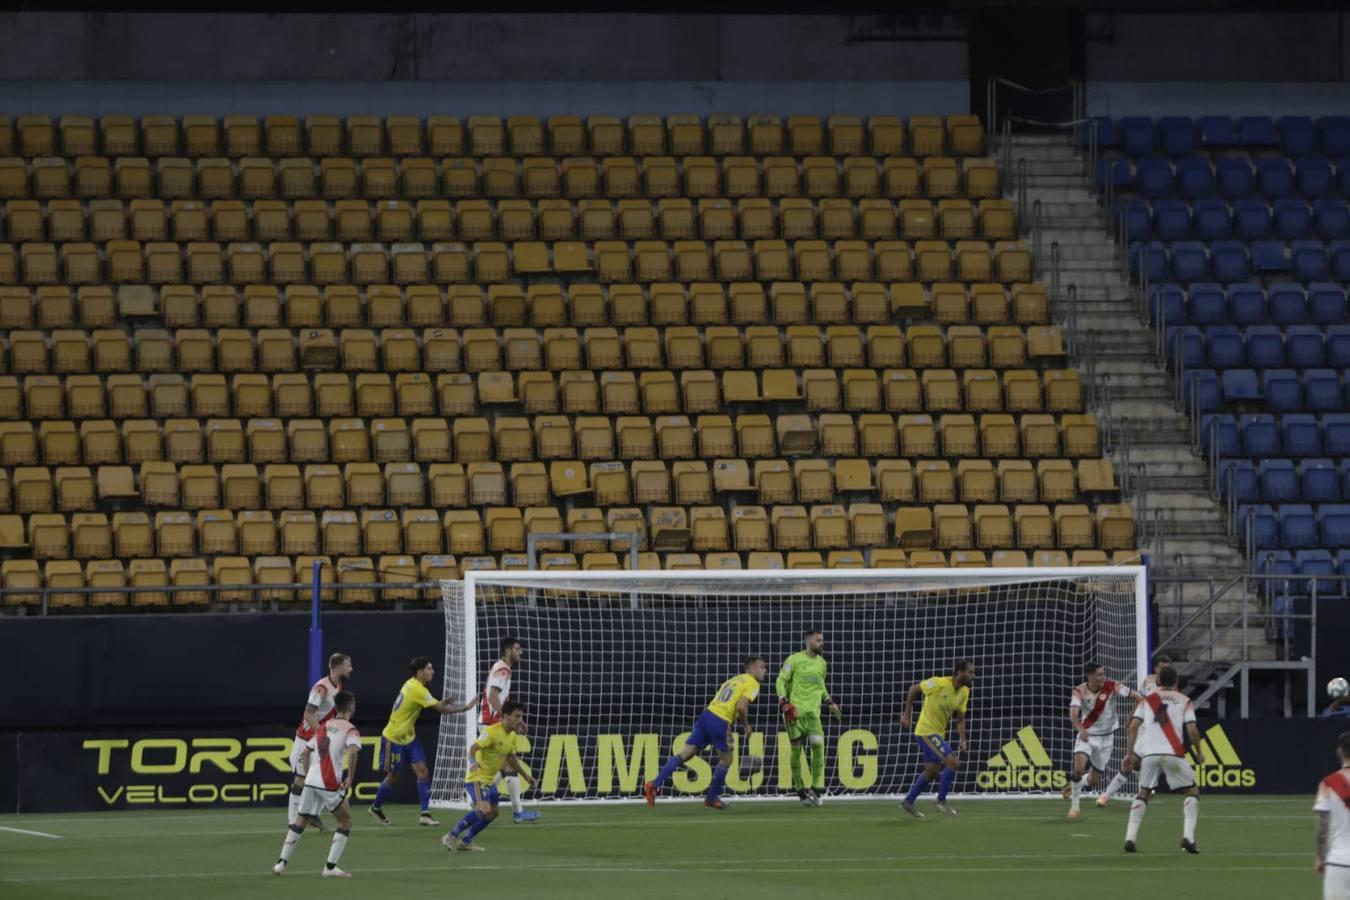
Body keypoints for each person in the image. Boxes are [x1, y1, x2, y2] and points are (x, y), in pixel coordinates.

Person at [645, 656, 767, 810]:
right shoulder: (753, 683)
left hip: (706, 715)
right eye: (761, 667)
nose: (765, 671)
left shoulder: (734, 679)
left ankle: (654, 784)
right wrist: (746, 726)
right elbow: (742, 707)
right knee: (727, 761)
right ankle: (711, 798)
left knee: (685, 754)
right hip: (720, 720)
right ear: (750, 668)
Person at [369, 656, 479, 827]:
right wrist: (465, 708)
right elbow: (441, 710)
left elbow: (431, 704)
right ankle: (376, 807)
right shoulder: (417, 689)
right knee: (393, 777)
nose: (432, 671)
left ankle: (425, 814)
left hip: (409, 736)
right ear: (420, 672)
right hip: (394, 737)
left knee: (423, 771)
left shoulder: (413, 684)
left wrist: (440, 704)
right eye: (429, 668)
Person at [272, 690, 360, 878]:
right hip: (329, 782)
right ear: (351, 707)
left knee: (301, 820)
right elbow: (353, 752)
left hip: (311, 779)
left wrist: (305, 774)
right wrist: (350, 778)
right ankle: (329, 867)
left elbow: (305, 752)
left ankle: (280, 863)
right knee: (346, 821)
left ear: (336, 707)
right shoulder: (351, 729)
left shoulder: (324, 726)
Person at [1122, 666, 1204, 854]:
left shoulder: (1147, 700)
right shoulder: (1185, 700)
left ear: (1158, 681)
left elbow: (1132, 727)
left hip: (1149, 754)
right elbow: (1192, 730)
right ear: (1176, 682)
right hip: (1173, 753)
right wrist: (1199, 752)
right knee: (1192, 791)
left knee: (1143, 793)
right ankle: (1188, 838)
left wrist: (1129, 753)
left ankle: (1130, 838)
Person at [443, 701, 536, 851]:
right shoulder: (492, 732)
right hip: (477, 778)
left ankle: (466, 841)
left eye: (521, 716)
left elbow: (511, 759)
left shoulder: (511, 736)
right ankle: (451, 835)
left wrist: (526, 776)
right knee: (483, 809)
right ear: (505, 716)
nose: (520, 720)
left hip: (489, 781)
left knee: (493, 813)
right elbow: (473, 748)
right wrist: (472, 762)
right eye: (517, 716)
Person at [1064, 661, 1142, 819]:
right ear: (1090, 675)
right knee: (1078, 769)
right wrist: (1081, 729)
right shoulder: (1079, 691)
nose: (1103, 677)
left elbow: (1139, 698)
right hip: (1087, 736)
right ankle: (1075, 808)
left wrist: (1131, 717)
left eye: (1103, 673)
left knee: (1094, 780)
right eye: (1099, 674)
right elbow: (1073, 714)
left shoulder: (1113, 686)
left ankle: (1073, 785)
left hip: (1107, 739)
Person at [899, 659, 975, 818]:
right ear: (960, 672)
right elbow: (914, 689)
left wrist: (963, 739)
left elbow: (960, 718)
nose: (973, 676)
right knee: (953, 762)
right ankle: (941, 801)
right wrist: (907, 714)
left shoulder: (964, 692)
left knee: (932, 770)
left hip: (938, 734)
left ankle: (908, 801)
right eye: (970, 672)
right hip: (925, 730)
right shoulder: (938, 683)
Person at [776, 629, 842, 807]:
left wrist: (829, 702)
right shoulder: (794, 660)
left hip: (814, 714)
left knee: (818, 749)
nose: (822, 643)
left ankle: (815, 788)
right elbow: (780, 681)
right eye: (818, 640)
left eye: (822, 640)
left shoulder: (822, 664)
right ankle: (799, 789)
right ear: (808, 642)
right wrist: (783, 701)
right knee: (797, 751)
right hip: (794, 713)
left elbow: (821, 687)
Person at [287, 652, 353, 829]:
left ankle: (311, 814)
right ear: (338, 666)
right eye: (348, 665)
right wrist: (322, 734)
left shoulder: (338, 687)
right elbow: (308, 714)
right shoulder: (321, 688)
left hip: (318, 739)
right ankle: (293, 821)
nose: (351, 669)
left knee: (319, 778)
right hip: (306, 739)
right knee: (301, 779)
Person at [481, 635, 539, 823]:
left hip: (491, 721)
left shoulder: (502, 668)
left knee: (506, 765)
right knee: (507, 764)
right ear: (508, 651)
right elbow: (492, 696)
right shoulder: (503, 669)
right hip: (492, 722)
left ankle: (516, 811)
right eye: (517, 648)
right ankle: (485, 798)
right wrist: (507, 719)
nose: (520, 652)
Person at [1315, 731, 1350, 898]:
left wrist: (1320, 857)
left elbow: (1322, 826)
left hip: (1338, 861)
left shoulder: (1328, 784)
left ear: (1340, 751)